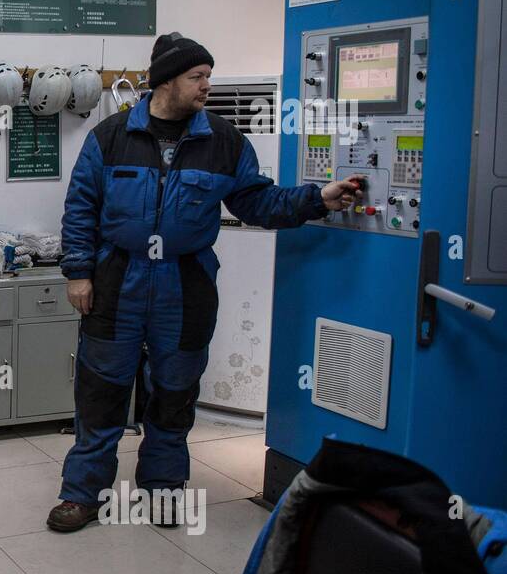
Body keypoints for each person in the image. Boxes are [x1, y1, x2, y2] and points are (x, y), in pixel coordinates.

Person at [48, 32, 363, 532]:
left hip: (185, 284)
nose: (206, 86)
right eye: (197, 76)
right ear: (166, 81)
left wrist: (316, 198)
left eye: (208, 76)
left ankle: (163, 490)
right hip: (117, 280)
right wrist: (78, 273)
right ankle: (84, 494)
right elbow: (80, 208)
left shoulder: (223, 141)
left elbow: (258, 202)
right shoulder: (109, 136)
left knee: (174, 393)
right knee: (101, 391)